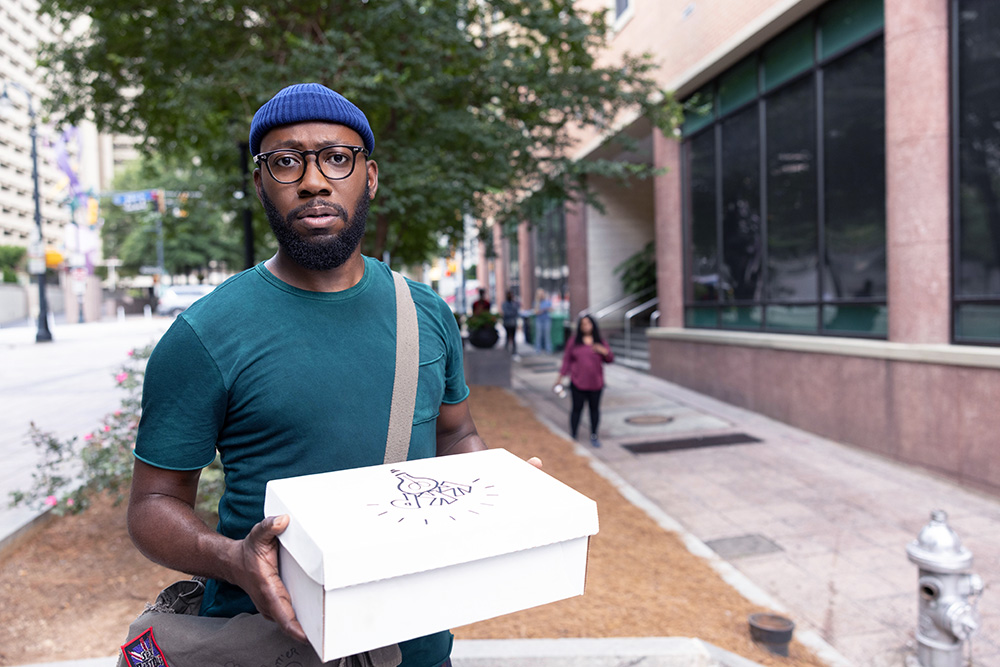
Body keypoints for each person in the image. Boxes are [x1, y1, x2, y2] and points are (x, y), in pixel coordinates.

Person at [127, 83, 487, 667]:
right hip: (273, 643)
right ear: (260, 182)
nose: (314, 180)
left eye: (336, 158)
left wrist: (499, 497)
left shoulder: (426, 312)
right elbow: (153, 503)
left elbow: (456, 433)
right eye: (286, 161)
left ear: (368, 176)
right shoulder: (206, 333)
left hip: (415, 643)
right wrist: (230, 558)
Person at [553, 315, 614, 447]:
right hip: (578, 382)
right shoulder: (574, 342)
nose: (586, 326)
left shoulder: (600, 342)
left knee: (594, 410)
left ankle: (594, 435)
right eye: (583, 324)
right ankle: (573, 434)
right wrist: (560, 378)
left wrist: (603, 351)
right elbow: (566, 361)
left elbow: (610, 359)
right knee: (576, 409)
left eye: (588, 324)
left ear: (593, 325)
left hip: (596, 383)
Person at [500, 290, 520, 357]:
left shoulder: (514, 303)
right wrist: (512, 313)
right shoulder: (505, 304)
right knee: (508, 337)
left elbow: (516, 312)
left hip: (513, 323)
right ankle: (506, 352)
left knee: (513, 338)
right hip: (507, 323)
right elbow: (506, 313)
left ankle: (514, 352)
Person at [533, 288, 552, 354]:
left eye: (542, 294)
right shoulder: (536, 302)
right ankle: (537, 350)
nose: (541, 295)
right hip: (539, 320)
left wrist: (545, 309)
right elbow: (536, 312)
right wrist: (542, 310)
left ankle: (548, 349)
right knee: (539, 335)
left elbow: (551, 309)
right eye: (539, 294)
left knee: (547, 335)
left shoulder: (547, 301)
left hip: (546, 320)